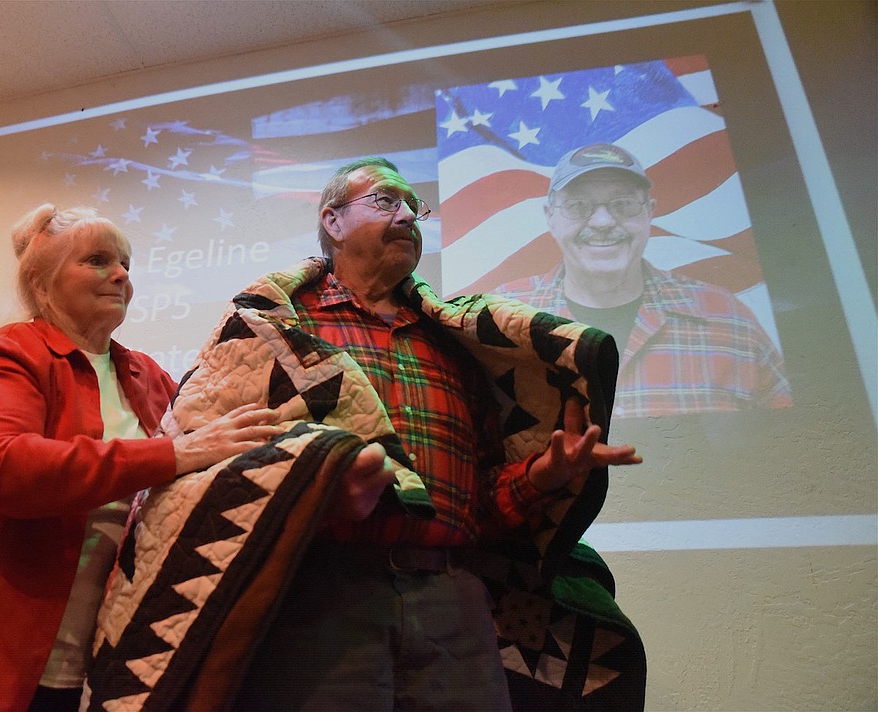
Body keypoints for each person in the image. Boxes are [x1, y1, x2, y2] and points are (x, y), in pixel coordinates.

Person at [87, 158, 644, 710]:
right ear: (332, 221)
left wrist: (548, 473)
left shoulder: (459, 342)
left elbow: (480, 510)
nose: (407, 215)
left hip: (454, 602)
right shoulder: (273, 326)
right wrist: (321, 491)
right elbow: (212, 473)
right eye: (385, 201)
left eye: (413, 206)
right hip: (316, 594)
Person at [0, 205, 282, 712]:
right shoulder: (10, 351)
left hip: (87, 670)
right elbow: (0, 465)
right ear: (41, 282)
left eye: (126, 263)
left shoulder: (148, 376)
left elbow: (200, 465)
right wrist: (170, 453)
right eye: (98, 260)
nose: (122, 274)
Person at [495, 142, 792, 418]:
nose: (603, 222)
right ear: (550, 217)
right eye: (577, 206)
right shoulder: (498, 318)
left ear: (649, 213)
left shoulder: (727, 318)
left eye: (623, 204)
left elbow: (794, 440)